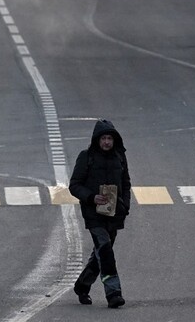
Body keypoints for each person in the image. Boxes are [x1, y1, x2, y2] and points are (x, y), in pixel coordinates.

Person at [69, 119, 131, 309]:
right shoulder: (86, 157)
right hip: (93, 214)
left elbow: (126, 184)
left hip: (114, 214)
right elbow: (74, 186)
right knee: (105, 250)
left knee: (101, 254)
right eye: (103, 138)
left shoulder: (119, 157)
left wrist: (125, 206)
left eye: (109, 138)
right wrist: (91, 197)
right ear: (97, 140)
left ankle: (82, 285)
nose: (106, 142)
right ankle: (114, 293)